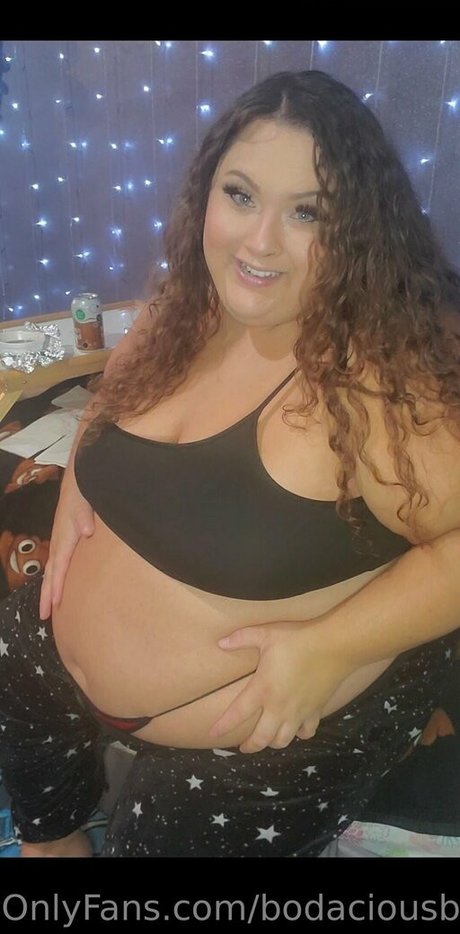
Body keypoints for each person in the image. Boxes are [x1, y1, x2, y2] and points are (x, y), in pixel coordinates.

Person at [1, 68, 460, 859]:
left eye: (308, 212)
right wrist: (80, 482)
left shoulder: (378, 387)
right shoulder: (190, 307)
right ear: (207, 193)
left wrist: (332, 647)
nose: (259, 242)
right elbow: (114, 391)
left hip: (261, 734)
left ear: (358, 231)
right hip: (66, 658)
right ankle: (54, 841)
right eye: (241, 195)